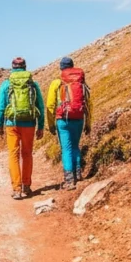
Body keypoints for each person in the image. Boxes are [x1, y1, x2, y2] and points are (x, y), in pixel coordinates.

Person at [0, 57, 45, 199]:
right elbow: (40, 106)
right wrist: (40, 126)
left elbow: (0, 108)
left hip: (12, 124)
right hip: (29, 123)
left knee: (13, 155)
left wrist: (0, 126)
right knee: (27, 154)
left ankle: (16, 189)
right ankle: (27, 186)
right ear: (25, 67)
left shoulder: (6, 84)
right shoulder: (32, 84)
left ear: (12, 67)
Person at [46, 57, 92, 191]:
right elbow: (88, 103)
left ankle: (69, 181)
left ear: (61, 69)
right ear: (72, 66)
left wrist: (51, 125)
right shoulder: (80, 81)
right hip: (79, 117)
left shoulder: (57, 82)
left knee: (66, 148)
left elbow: (50, 105)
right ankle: (78, 175)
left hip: (63, 119)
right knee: (76, 146)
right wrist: (88, 123)